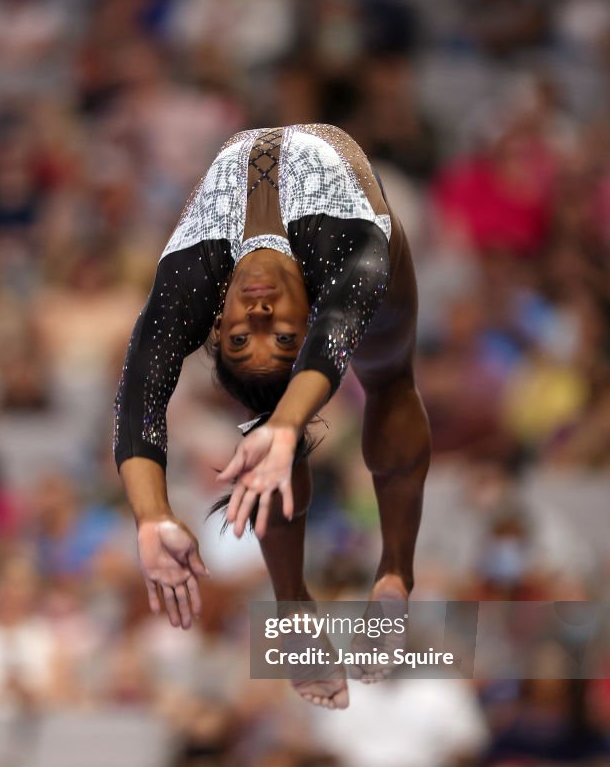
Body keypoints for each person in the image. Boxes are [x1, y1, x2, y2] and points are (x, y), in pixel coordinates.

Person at [114, 124, 430, 709]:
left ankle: (390, 573)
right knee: (382, 376)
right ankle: (307, 600)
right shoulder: (348, 253)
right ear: (305, 316)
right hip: (360, 233)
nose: (258, 310)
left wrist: (151, 517)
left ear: (215, 324)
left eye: (242, 335)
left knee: (333, 401)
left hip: (334, 230)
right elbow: (332, 337)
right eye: (277, 332)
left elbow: (138, 399)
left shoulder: (190, 280)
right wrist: (280, 425)